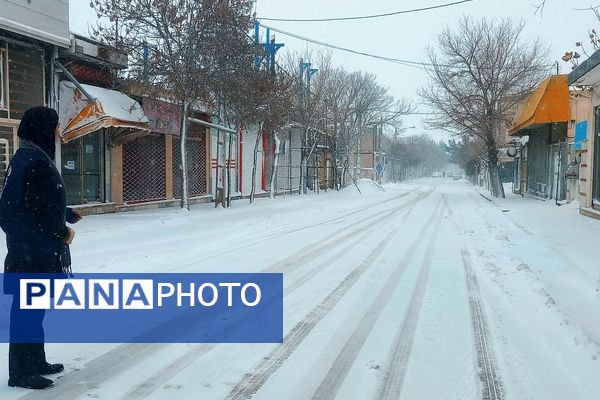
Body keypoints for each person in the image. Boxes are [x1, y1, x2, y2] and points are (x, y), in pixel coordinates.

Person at [0, 106, 82, 389]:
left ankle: (35, 361)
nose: (58, 132)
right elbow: (37, 209)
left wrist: (65, 212)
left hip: (26, 251)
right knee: (26, 314)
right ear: (43, 129)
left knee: (33, 312)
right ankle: (21, 373)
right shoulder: (36, 161)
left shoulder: (24, 158)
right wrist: (63, 231)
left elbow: (29, 202)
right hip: (33, 254)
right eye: (56, 126)